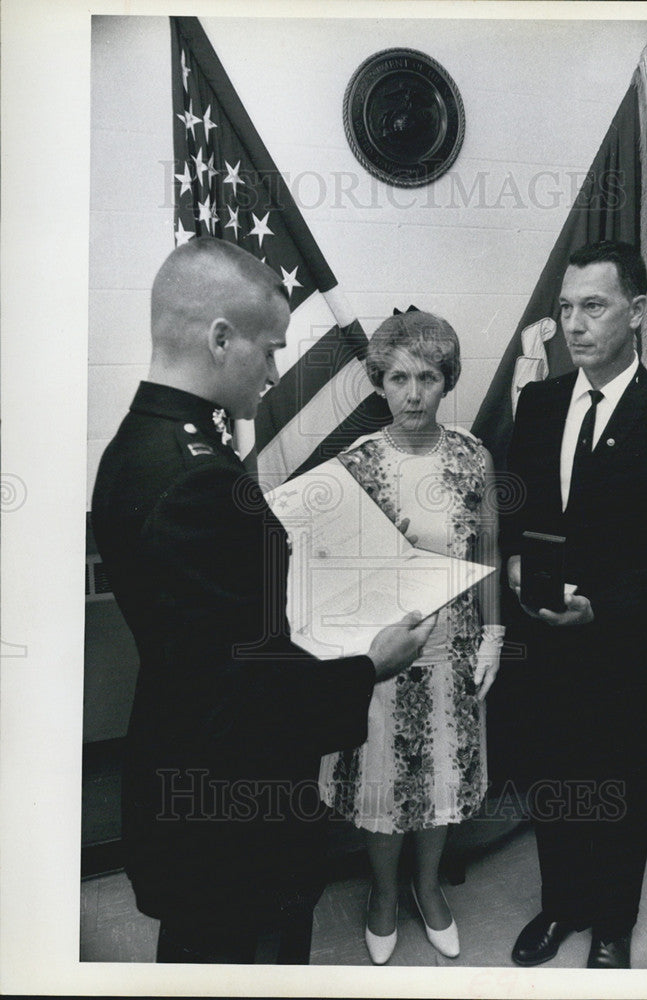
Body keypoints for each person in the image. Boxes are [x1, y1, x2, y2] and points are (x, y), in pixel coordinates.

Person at [90, 237, 435, 965]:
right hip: (231, 804)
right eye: (270, 349)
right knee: (246, 955)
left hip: (186, 765)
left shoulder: (140, 446)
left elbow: (216, 611)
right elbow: (240, 688)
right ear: (220, 338)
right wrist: (369, 666)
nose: (276, 372)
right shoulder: (196, 482)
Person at [498, 241, 647, 969]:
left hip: (625, 647)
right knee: (553, 781)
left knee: (620, 789)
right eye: (564, 308)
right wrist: (515, 559)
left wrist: (602, 606)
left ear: (636, 312)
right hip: (544, 644)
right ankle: (561, 905)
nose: (573, 324)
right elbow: (517, 511)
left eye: (591, 306)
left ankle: (613, 925)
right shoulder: (537, 404)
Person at [318, 310, 503, 964]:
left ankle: (428, 888)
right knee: (386, 782)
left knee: (441, 778)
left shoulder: (469, 454)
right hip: (385, 654)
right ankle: (385, 893)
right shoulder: (356, 464)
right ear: (380, 382)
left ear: (446, 380)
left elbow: (485, 545)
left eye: (427, 376)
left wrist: (494, 633)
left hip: (453, 651)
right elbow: (329, 572)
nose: (413, 392)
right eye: (398, 377)